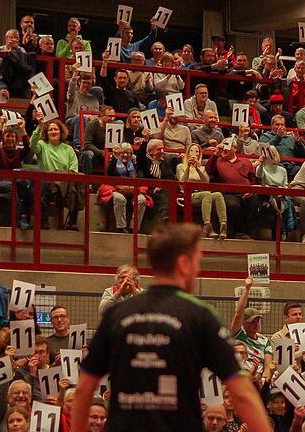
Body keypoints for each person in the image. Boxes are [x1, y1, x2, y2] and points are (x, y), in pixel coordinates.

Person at [70, 223, 271, 431]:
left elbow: (84, 388)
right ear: (183, 264)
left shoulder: (117, 315)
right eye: (197, 261)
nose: (198, 270)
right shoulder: (200, 316)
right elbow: (242, 393)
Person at [30, 111, 82, 229]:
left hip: (65, 182)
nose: (53, 132)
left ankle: (72, 222)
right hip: (47, 182)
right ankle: (44, 220)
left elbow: (73, 169)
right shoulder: (42, 145)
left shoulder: (68, 149)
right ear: (46, 133)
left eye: (56, 129)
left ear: (61, 131)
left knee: (76, 184)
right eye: (50, 130)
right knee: (44, 186)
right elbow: (32, 144)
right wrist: (39, 125)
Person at [205, 139, 259, 239]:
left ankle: (251, 234)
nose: (224, 148)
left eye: (227, 146)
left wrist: (251, 190)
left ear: (235, 148)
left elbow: (253, 179)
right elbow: (208, 170)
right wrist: (216, 154)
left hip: (246, 192)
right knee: (233, 205)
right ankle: (240, 232)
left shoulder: (245, 161)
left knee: (254, 202)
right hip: (227, 193)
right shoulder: (217, 160)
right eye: (223, 145)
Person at [176, 143, 228, 239]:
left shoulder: (202, 168)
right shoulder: (181, 166)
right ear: (187, 153)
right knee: (207, 194)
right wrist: (188, 168)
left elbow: (206, 182)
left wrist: (197, 168)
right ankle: (207, 224)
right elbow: (182, 183)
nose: (194, 154)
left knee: (217, 195)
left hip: (202, 193)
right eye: (191, 151)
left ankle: (223, 225)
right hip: (188, 194)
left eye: (197, 152)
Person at [230, 278, 274, 381]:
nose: (255, 325)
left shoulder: (265, 341)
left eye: (257, 321)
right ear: (243, 323)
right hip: (240, 378)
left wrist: (264, 381)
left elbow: (267, 367)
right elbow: (238, 314)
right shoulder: (237, 334)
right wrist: (247, 289)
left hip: (258, 380)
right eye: (251, 322)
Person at [102, 143, 149, 233]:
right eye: (122, 153)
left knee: (142, 200)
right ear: (118, 154)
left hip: (133, 190)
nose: (125, 155)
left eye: (128, 153)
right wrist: (121, 187)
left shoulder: (135, 165)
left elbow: (141, 178)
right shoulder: (114, 163)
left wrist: (131, 188)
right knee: (119, 199)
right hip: (118, 189)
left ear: (131, 155)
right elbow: (109, 175)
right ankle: (121, 227)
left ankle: (133, 228)